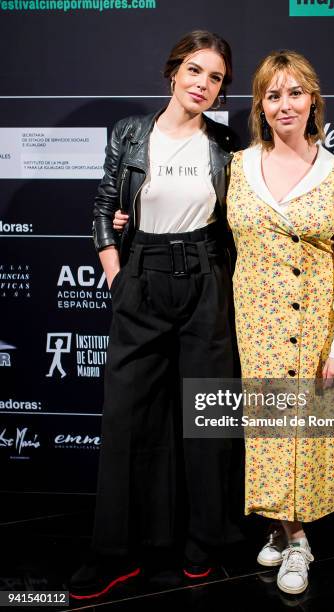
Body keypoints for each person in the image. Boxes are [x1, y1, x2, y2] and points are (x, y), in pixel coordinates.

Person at [69, 30, 242, 600]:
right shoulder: (131, 133)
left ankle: (202, 545)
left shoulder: (224, 142)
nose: (203, 84)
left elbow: (235, 223)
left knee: (204, 417)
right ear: (173, 72)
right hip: (141, 274)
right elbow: (103, 204)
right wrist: (116, 270)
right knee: (125, 419)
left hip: (204, 274)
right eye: (195, 70)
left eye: (215, 77)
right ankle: (115, 555)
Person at [226, 50, 334, 595]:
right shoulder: (237, 167)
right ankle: (287, 533)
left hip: (314, 330)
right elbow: (196, 219)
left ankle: (296, 540)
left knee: (306, 437)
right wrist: (127, 217)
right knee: (268, 432)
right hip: (256, 324)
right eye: (272, 94)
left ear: (313, 100)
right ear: (261, 105)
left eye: (295, 92)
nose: (285, 104)